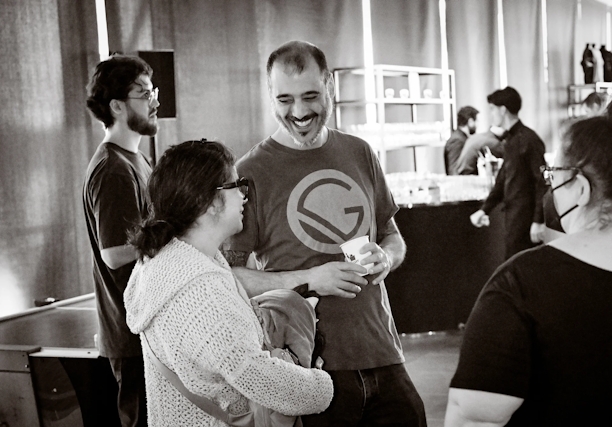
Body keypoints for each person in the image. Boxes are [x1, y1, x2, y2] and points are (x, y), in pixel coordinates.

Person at [224, 40, 427, 426]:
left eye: (310, 96)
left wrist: (386, 256)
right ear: (270, 96)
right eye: (285, 99)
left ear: (330, 87)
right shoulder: (250, 172)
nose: (299, 112)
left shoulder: (360, 152)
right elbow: (230, 277)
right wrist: (311, 279)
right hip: (308, 366)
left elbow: (392, 236)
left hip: (382, 350)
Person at [444, 115, 612, 426]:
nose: (551, 189)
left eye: (554, 176)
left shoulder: (522, 283)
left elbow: (474, 416)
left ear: (579, 188)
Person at [124, 139, 333, 426]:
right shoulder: (200, 289)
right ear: (211, 201)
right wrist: (321, 387)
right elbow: (252, 372)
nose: (244, 196)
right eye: (237, 185)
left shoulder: (163, 263)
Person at [83, 55, 159, 427]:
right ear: (116, 105)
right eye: (144, 93)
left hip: (145, 331)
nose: (155, 101)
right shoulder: (113, 170)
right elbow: (114, 253)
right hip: (131, 339)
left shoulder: (136, 160)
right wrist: (174, 232)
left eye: (153, 91)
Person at [469, 87, 547, 260]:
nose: (491, 114)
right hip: (514, 218)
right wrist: (485, 210)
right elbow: (503, 179)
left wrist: (538, 221)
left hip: (525, 220)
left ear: (502, 109)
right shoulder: (510, 140)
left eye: (492, 109)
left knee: (522, 268)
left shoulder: (529, 140)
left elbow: (542, 181)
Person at [444, 106, 479, 175]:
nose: (477, 125)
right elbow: (454, 170)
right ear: (470, 121)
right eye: (477, 121)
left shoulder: (461, 138)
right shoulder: (457, 141)